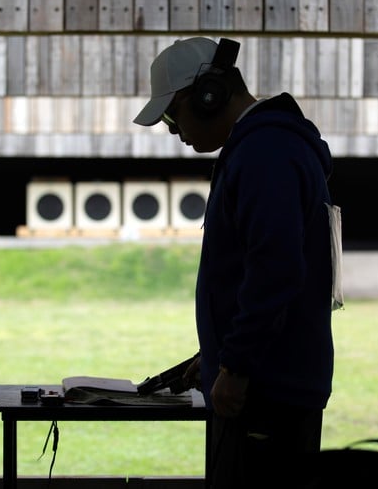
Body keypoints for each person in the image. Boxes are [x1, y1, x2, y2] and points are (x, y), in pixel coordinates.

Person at [133, 37, 337, 488]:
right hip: (265, 383)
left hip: (265, 392)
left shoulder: (265, 153)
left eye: (172, 114)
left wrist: (236, 366)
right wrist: (218, 355)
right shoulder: (262, 148)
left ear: (209, 96)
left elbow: (275, 269)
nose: (172, 130)